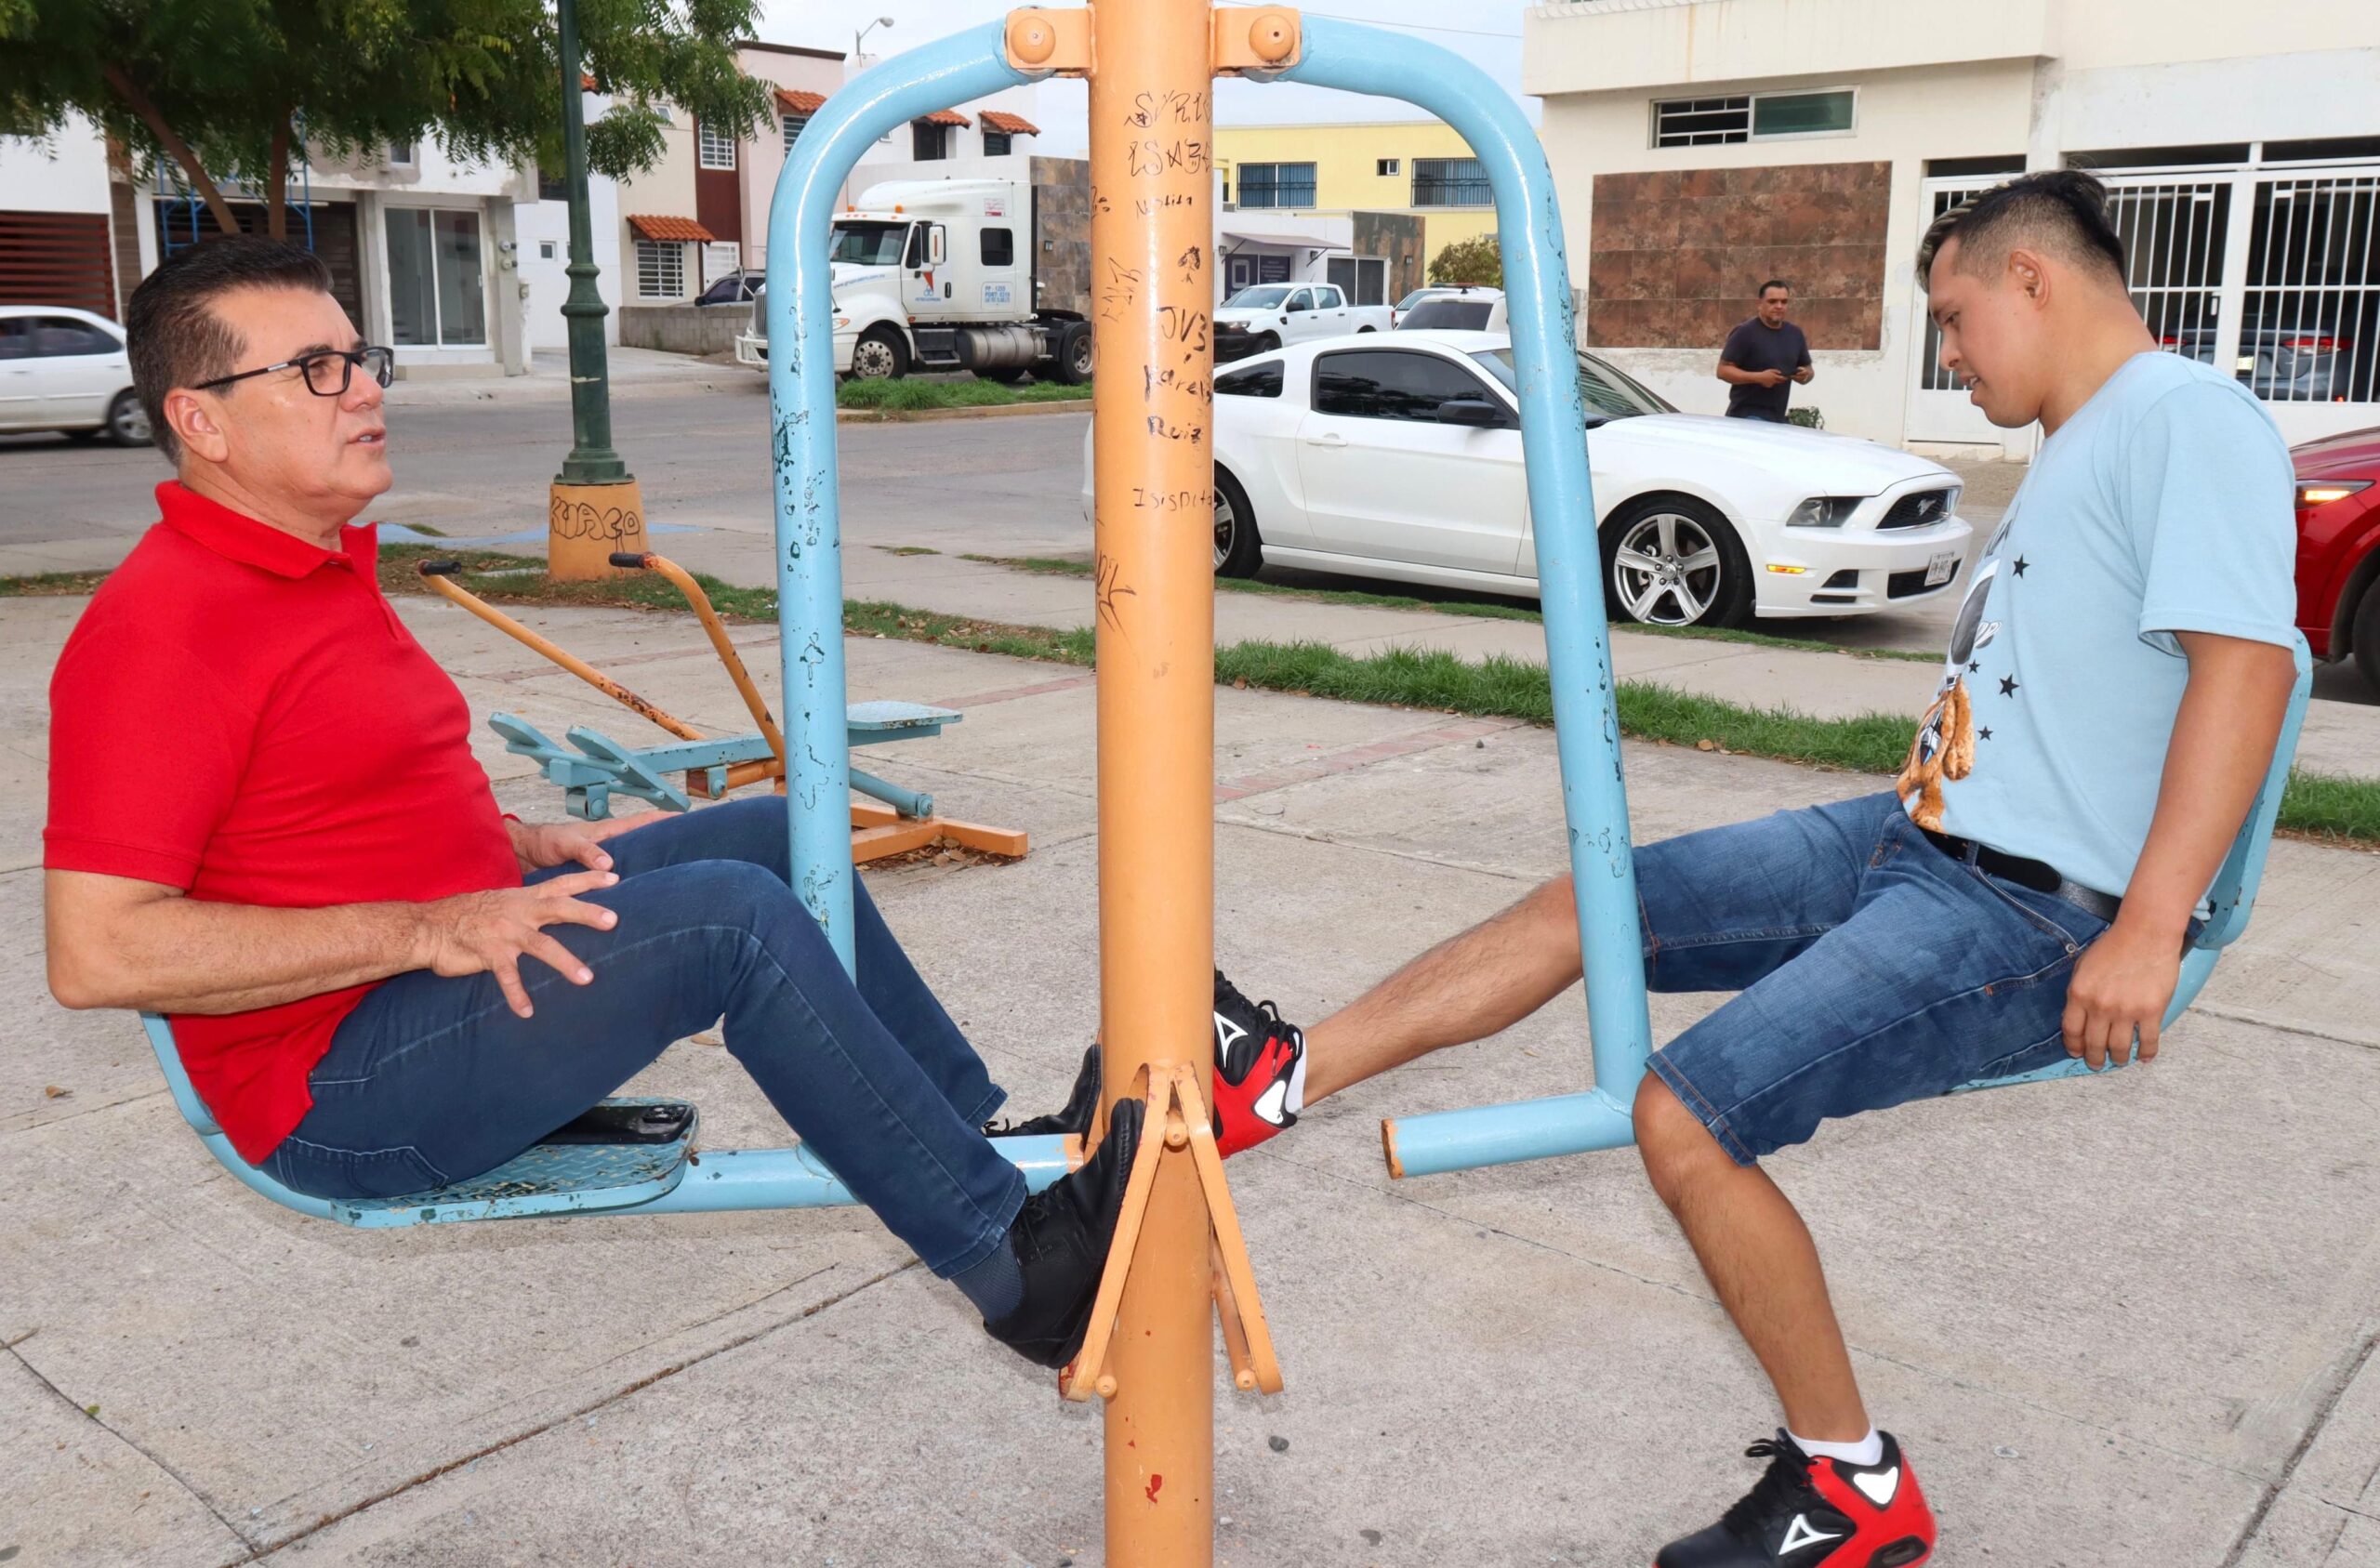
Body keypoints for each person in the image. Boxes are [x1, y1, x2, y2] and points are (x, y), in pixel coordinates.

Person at [1031, 169, 2302, 1564]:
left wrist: (2154, 924)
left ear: (2032, 281)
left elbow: (2243, 672)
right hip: (1919, 839)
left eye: (1951, 317)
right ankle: (1279, 1076)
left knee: (1686, 1117)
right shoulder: (2090, 433)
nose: (1948, 350)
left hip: (2032, 909)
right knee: (1597, 897)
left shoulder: (2187, 420)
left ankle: (1853, 1481)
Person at [38, 234, 1211, 1373]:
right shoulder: (163, 628)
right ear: (200, 418)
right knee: (726, 923)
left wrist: (516, 843)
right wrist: (430, 924)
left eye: (359, 356)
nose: (361, 391)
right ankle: (1017, 1268)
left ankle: (976, 1144)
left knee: (773, 835)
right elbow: (99, 951)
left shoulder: (312, 566)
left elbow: (311, 815)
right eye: (314, 370)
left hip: (428, 972)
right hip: (335, 1084)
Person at [1718, 280, 1814, 423]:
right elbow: (1723, 371)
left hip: (1778, 418)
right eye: (1772, 301)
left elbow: (1808, 369)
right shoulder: (1745, 332)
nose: (1779, 306)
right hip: (1745, 417)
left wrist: (1805, 375)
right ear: (1759, 304)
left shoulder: (1795, 334)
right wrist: (1759, 378)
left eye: (1784, 302)